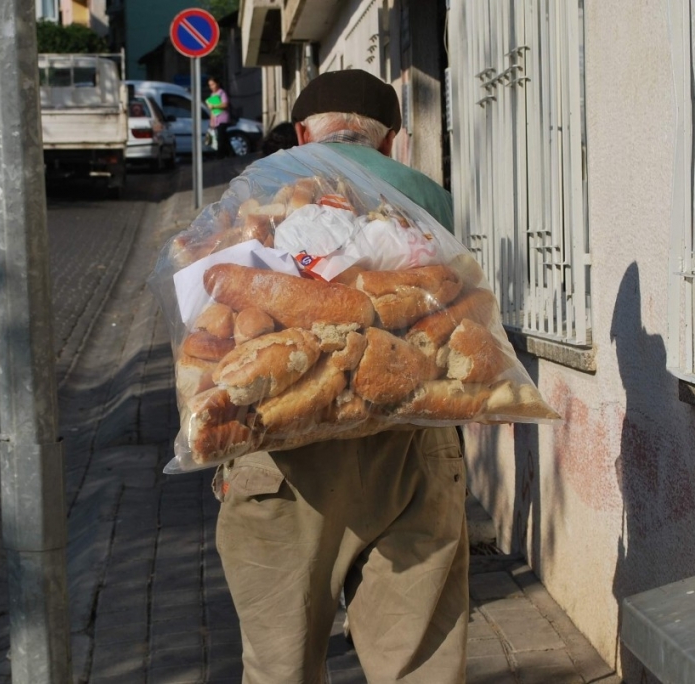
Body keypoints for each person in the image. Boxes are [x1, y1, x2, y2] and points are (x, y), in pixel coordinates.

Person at [214, 69, 468, 684]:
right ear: (389, 142)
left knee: (280, 668)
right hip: (410, 442)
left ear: (302, 133)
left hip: (281, 456)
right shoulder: (426, 196)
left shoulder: (250, 195)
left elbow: (215, 328)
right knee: (418, 665)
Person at [206, 76, 232, 159]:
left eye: (213, 84)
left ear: (217, 84)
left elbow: (225, 104)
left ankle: (220, 155)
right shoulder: (212, 95)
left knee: (221, 137)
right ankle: (231, 154)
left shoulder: (221, 93)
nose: (211, 87)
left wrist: (214, 106)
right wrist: (211, 121)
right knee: (223, 137)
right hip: (216, 119)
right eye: (210, 85)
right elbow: (212, 111)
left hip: (223, 118)